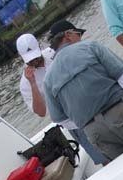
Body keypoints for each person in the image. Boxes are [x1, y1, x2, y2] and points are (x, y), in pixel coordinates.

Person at [43, 19, 123, 161]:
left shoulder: (47, 79)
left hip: (94, 132)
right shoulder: (91, 47)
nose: (81, 38)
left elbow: (60, 119)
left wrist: (87, 121)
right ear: (68, 35)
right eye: (78, 34)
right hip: (121, 113)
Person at [16, 32, 107, 166]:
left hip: (92, 105)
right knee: (103, 158)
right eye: (30, 59)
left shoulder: (54, 52)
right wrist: (33, 83)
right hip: (73, 122)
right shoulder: (25, 84)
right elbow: (41, 112)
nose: (34, 61)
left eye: (36, 56)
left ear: (39, 46)